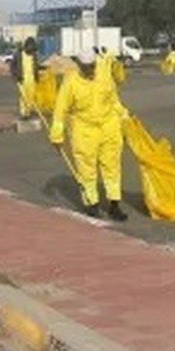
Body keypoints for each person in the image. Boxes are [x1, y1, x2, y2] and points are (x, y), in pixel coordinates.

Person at [50, 48, 129, 221]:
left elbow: (113, 100)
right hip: (84, 130)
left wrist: (124, 116)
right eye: (86, 67)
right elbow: (60, 109)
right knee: (87, 169)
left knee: (112, 167)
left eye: (92, 66)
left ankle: (114, 204)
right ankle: (92, 203)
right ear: (78, 64)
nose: (90, 70)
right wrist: (57, 135)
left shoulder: (104, 75)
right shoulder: (70, 82)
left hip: (109, 127)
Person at [13, 37, 40, 118]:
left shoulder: (34, 55)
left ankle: (29, 111)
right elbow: (13, 66)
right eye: (30, 48)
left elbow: (36, 66)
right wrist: (16, 74)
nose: (31, 51)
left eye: (33, 49)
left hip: (32, 79)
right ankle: (24, 112)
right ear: (26, 46)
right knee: (23, 97)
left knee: (31, 96)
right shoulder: (19, 54)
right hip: (22, 79)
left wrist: (39, 72)